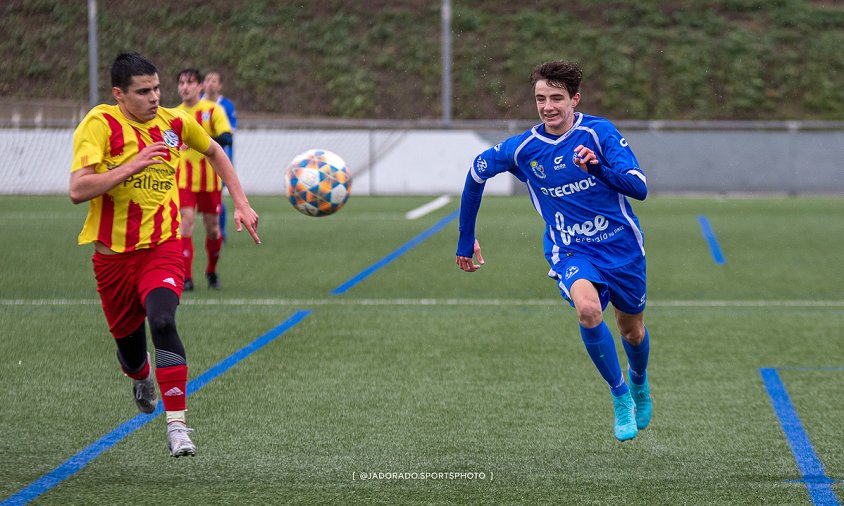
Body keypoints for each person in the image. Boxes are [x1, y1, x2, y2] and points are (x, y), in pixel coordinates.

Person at [69, 52, 260, 457]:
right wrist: (131, 166)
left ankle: (178, 426)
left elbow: (215, 151)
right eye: (144, 91)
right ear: (120, 94)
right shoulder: (99, 125)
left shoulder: (174, 122)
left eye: (157, 88)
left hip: (163, 247)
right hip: (112, 259)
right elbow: (78, 190)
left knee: (162, 320)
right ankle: (140, 376)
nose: (155, 97)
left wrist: (240, 201)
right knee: (133, 354)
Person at [455, 60, 652, 442]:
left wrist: (599, 171)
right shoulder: (524, 148)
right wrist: (466, 237)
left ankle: (640, 381)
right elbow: (476, 173)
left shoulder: (599, 133)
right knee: (589, 309)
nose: (548, 106)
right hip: (570, 248)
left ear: (574, 99)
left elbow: (638, 187)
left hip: (622, 248)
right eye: (541, 98)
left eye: (557, 98)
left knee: (633, 331)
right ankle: (621, 396)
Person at [176, 69, 233, 290]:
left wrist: (200, 139)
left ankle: (211, 271)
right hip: (184, 181)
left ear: (200, 87)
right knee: (186, 223)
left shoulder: (212, 110)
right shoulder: (174, 115)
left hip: (210, 180)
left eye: (190, 83)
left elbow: (227, 137)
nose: (185, 87)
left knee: (212, 230)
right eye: (181, 83)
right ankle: (186, 278)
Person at [201, 71, 237, 242]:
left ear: (220, 86)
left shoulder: (226, 106)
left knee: (217, 197)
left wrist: (203, 140)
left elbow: (228, 136)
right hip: (194, 162)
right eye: (208, 80)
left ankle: (220, 232)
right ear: (202, 84)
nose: (211, 83)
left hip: (219, 159)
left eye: (215, 80)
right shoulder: (195, 104)